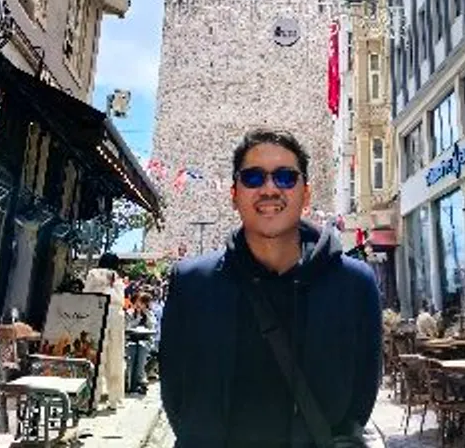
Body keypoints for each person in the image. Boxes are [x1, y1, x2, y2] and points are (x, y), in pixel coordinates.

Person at [160, 129, 382, 447]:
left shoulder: (353, 284)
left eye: (285, 177)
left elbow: (360, 398)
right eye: (253, 178)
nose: (269, 189)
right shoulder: (193, 283)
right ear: (234, 194)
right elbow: (176, 395)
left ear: (306, 195)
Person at [84, 252, 126, 410]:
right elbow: (121, 300)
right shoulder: (117, 277)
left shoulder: (93, 274)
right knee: (115, 357)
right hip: (116, 314)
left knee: (97, 357)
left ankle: (93, 399)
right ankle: (115, 399)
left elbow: (86, 294)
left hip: (97, 312)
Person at [125, 292, 154, 393]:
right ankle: (130, 381)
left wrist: (146, 315)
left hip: (145, 340)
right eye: (137, 302)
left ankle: (140, 379)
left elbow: (151, 327)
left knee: (142, 349)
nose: (139, 305)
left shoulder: (149, 314)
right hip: (130, 339)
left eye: (141, 303)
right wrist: (137, 319)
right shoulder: (129, 313)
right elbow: (126, 327)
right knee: (132, 349)